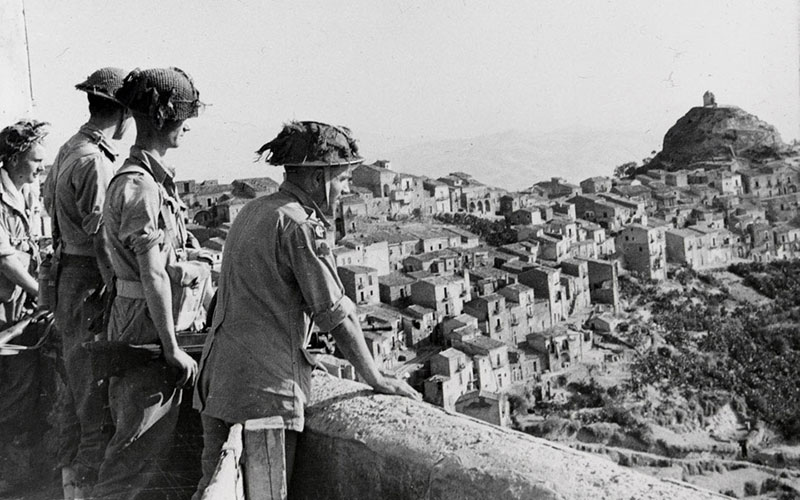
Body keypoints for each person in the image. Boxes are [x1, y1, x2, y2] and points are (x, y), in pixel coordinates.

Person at [192, 121, 420, 497]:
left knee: (212, 489)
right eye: (343, 179)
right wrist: (375, 378)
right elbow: (335, 313)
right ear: (317, 178)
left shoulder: (253, 211)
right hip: (264, 395)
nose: (346, 189)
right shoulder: (299, 225)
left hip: (220, 383)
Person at [92, 67, 204, 500]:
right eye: (182, 118)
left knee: (146, 457)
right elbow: (152, 272)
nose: (186, 127)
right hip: (146, 332)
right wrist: (172, 347)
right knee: (133, 457)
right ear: (163, 118)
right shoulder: (140, 186)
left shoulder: (147, 180)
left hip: (144, 323)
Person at [42, 67, 131, 499]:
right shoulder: (94, 160)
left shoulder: (67, 149)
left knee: (78, 387)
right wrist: (119, 287)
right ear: (122, 112)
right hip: (88, 280)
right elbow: (102, 240)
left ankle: (72, 485)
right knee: (95, 394)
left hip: (68, 279)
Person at [0, 119, 49, 488]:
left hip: (17, 309)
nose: (40, 168)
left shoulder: (24, 194)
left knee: (22, 390)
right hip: (4, 311)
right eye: (35, 161)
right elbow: (5, 260)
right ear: (16, 157)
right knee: (11, 396)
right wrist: (40, 291)